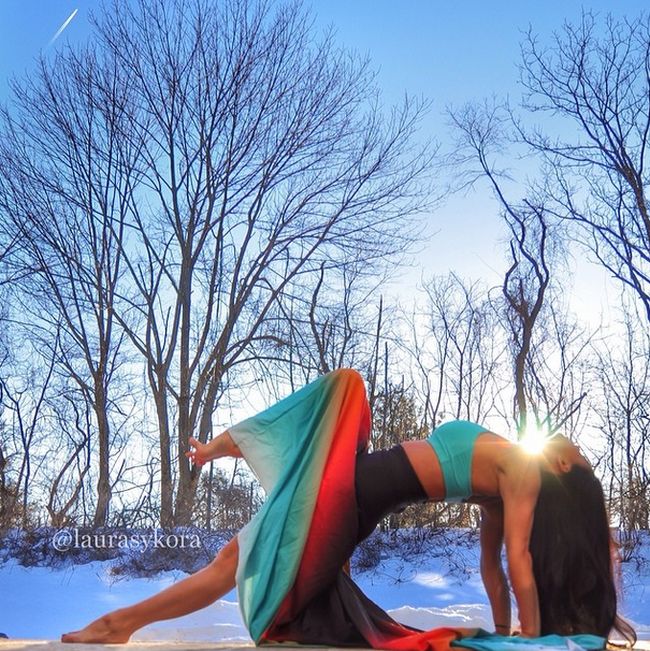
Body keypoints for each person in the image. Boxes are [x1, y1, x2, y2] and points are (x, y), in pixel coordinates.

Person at [60, 369, 634, 648]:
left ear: (563, 470)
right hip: (347, 489)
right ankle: (120, 624)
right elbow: (499, 573)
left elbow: (511, 566)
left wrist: (525, 642)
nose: (564, 441)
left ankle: (117, 624)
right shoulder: (509, 468)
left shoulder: (521, 472)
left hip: (345, 498)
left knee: (232, 563)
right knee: (235, 559)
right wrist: (518, 635)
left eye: (574, 452)